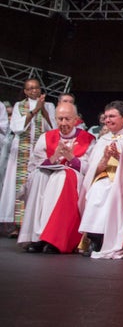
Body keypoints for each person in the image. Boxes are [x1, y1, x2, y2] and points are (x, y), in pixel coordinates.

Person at [17, 102, 95, 253]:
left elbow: (90, 168)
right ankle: (36, 237)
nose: (63, 123)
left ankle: (53, 238)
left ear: (75, 120)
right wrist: (55, 156)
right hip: (49, 174)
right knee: (39, 175)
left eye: (67, 119)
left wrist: (71, 157)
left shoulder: (88, 139)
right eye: (60, 119)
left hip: (73, 178)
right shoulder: (46, 137)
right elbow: (34, 165)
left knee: (62, 176)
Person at [79, 101, 123, 259]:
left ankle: (113, 239)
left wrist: (120, 158)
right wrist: (106, 158)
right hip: (105, 177)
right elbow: (95, 170)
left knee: (112, 192)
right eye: (106, 116)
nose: (107, 120)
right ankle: (95, 238)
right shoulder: (103, 139)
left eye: (112, 116)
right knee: (97, 190)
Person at [0, 79, 56, 238]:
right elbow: (16, 127)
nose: (33, 91)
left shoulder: (50, 106)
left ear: (40, 89)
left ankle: (34, 224)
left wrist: (42, 108)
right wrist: (33, 111)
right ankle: (18, 225)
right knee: (18, 187)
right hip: (21, 151)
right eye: (30, 89)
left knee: (36, 185)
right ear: (25, 91)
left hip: (39, 149)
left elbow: (53, 127)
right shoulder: (19, 106)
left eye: (36, 88)